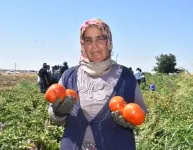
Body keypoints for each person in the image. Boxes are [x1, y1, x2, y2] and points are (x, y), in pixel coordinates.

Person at [48, 18, 148, 150]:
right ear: (82, 44)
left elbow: (141, 112)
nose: (94, 45)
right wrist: (59, 112)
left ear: (108, 41)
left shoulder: (126, 76)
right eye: (88, 40)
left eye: (100, 39)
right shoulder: (69, 76)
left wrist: (130, 121)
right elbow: (53, 116)